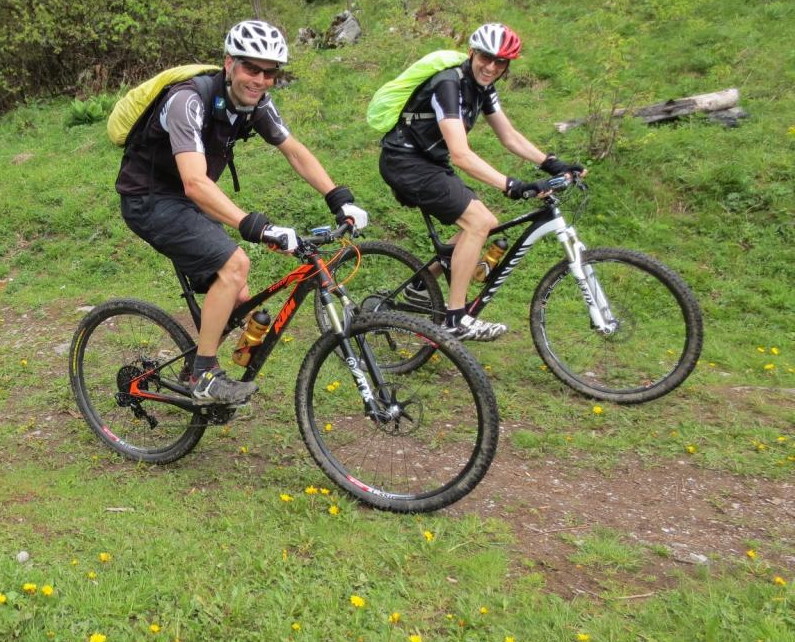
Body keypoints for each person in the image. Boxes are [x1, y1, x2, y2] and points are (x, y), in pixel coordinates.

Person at [116, 20, 369, 406]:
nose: (262, 80)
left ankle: (193, 369)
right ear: (229, 63)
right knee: (235, 265)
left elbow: (294, 151)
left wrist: (338, 197)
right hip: (149, 198)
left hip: (189, 197)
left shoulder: (256, 103)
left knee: (239, 294)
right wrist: (257, 226)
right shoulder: (188, 100)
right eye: (253, 68)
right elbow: (195, 183)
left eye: (271, 72)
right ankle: (203, 375)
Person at [377, 22, 584, 341]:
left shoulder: (483, 88)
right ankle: (455, 319)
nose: (491, 67)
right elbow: (460, 154)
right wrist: (511, 184)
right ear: (472, 53)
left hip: (428, 163)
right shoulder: (448, 84)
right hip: (404, 161)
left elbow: (509, 135)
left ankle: (421, 285)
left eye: (500, 62)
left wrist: (551, 163)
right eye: (486, 58)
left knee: (483, 224)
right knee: (478, 222)